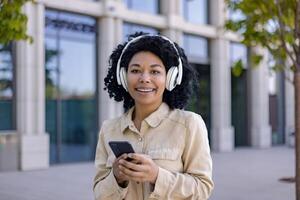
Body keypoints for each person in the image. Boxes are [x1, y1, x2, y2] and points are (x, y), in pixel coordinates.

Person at [93, 32, 214, 200]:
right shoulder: (109, 129)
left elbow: (202, 189)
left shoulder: (189, 124)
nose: (144, 78)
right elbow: (98, 194)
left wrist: (157, 176)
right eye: (135, 70)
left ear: (171, 78)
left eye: (155, 71)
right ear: (123, 76)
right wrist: (117, 178)